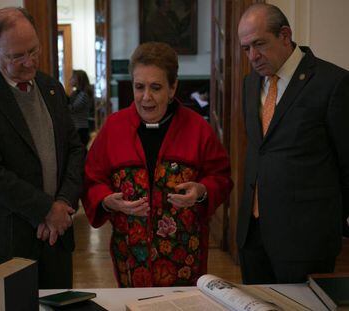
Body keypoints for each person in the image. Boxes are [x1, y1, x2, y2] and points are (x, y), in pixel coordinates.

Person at [0, 7, 84, 288]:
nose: (29, 62)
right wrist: (46, 209)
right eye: (17, 56)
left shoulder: (51, 87)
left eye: (33, 51)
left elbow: (74, 149)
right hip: (4, 243)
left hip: (56, 236)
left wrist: (63, 204)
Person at [83, 42, 232, 287]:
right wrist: (107, 199)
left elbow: (222, 177)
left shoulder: (198, 129)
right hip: (131, 258)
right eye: (139, 87)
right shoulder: (113, 127)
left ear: (173, 88)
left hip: (184, 257)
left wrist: (201, 191)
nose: (146, 97)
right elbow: (92, 180)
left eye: (156, 87)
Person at [237, 3, 349, 284]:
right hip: (253, 235)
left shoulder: (333, 83)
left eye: (259, 44)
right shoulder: (250, 84)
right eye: (246, 48)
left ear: (285, 35)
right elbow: (259, 150)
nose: (252, 56)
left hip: (305, 239)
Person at [69, 69, 92, 147]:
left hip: (80, 129)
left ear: (79, 80)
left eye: (73, 78)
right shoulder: (76, 93)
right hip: (77, 128)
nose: (70, 79)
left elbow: (72, 109)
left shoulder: (83, 95)